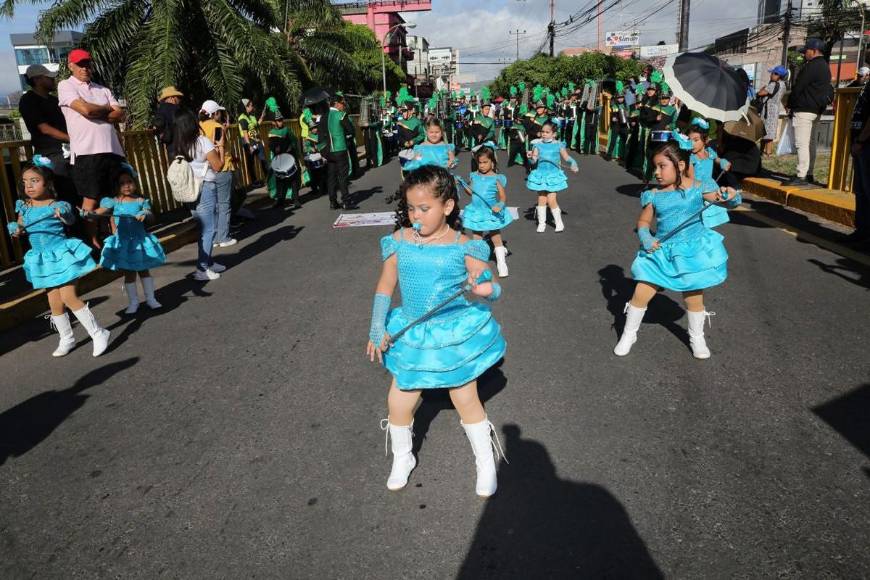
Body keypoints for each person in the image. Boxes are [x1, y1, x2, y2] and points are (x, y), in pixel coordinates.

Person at [366, 165, 506, 497]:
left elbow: (490, 285)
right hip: (413, 332)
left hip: (451, 334)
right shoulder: (399, 240)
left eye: (424, 208)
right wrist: (376, 327)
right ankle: (403, 456)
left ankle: (485, 460)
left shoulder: (464, 245)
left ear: (447, 206)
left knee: (465, 396)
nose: (416, 215)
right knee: (398, 402)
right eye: (411, 208)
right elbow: (386, 286)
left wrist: (486, 289)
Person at [613, 139, 741, 360]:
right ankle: (629, 333)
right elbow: (644, 222)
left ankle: (696, 337)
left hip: (692, 251)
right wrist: (645, 237)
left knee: (693, 296)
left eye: (663, 166)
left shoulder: (698, 188)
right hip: (662, 249)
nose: (657, 172)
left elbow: (722, 200)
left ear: (680, 165)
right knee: (641, 291)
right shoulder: (653, 195)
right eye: (655, 167)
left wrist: (731, 196)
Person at [7, 156, 109, 357]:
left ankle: (98, 332)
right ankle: (67, 338)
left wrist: (63, 213)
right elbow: (20, 225)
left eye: (34, 181)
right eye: (25, 182)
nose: (29, 186)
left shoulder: (58, 204)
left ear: (47, 183)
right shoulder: (24, 206)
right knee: (54, 301)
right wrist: (16, 229)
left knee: (68, 296)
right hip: (42, 260)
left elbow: (70, 220)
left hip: (62, 256)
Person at [57, 48, 126, 249]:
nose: (84, 68)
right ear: (71, 66)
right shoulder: (65, 85)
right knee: (90, 200)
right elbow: (85, 110)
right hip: (86, 152)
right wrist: (105, 109)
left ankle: (117, 239)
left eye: (87, 64)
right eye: (80, 64)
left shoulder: (102, 89)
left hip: (112, 150)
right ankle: (92, 243)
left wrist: (96, 110)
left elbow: (119, 114)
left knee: (116, 197)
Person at [90, 163, 166, 314]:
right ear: (116, 186)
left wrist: (145, 214)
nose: (126, 186)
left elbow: (150, 214)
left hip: (139, 242)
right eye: (122, 183)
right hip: (124, 243)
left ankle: (151, 299)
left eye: (129, 182)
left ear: (135, 183)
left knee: (144, 269)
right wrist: (89, 214)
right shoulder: (114, 201)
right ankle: (133, 302)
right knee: (129, 273)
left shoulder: (141, 201)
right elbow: (99, 212)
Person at [172, 108, 226, 281]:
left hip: (189, 190)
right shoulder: (202, 142)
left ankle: (208, 262)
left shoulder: (179, 145)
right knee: (209, 229)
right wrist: (221, 146)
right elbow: (218, 166)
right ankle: (202, 268)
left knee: (202, 228)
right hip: (205, 188)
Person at [18, 64, 77, 207]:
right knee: (62, 195)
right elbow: (44, 128)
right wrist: (73, 139)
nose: (53, 80)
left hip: (69, 152)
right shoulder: (28, 100)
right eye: (49, 77)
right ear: (37, 79)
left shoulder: (54, 100)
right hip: (50, 156)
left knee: (76, 193)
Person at [784, 38, 833, 186]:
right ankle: (809, 173)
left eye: (806, 51)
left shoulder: (811, 66)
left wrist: (790, 104)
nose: (805, 54)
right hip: (816, 110)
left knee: (802, 143)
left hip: (804, 109)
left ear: (814, 51)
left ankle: (801, 175)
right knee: (810, 143)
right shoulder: (825, 66)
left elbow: (799, 87)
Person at [458, 146, 513, 277]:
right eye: (479, 162)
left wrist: (500, 204)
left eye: (485, 162)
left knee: (495, 237)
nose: (481, 165)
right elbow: (471, 192)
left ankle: (501, 263)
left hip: (490, 212)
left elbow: (503, 197)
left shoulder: (496, 178)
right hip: (477, 212)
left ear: (492, 162)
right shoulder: (474, 176)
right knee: (476, 238)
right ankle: (477, 265)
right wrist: (462, 184)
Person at [527, 121, 579, 233]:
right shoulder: (537, 145)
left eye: (547, 132)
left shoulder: (558, 145)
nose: (544, 134)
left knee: (551, 199)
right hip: (541, 175)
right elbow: (534, 160)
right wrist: (530, 157)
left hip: (553, 176)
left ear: (554, 134)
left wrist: (573, 163)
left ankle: (559, 222)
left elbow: (566, 157)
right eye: (543, 132)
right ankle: (542, 223)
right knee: (541, 199)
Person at [199, 100, 237, 248]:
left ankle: (213, 238)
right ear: (214, 114)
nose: (221, 115)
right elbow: (219, 145)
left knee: (212, 206)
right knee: (224, 204)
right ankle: (223, 237)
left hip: (206, 169)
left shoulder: (199, 127)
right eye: (219, 112)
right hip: (221, 167)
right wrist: (224, 130)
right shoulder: (217, 127)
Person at [847, 74, 870, 243]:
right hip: (859, 143)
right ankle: (861, 232)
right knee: (861, 191)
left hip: (865, 144)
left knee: (866, 191)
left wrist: (861, 139)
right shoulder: (867, 85)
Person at [267, 113, 303, 209]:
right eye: (278, 120)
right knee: (279, 180)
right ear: (274, 122)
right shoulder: (271, 132)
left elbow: (294, 140)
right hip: (279, 158)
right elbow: (270, 145)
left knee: (293, 179)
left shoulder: (287, 130)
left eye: (281, 120)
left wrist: (290, 147)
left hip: (289, 156)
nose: (281, 122)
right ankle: (280, 200)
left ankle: (296, 199)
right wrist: (275, 149)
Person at [322, 95, 351, 209]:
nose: (343, 105)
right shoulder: (341, 115)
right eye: (342, 103)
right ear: (336, 104)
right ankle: (346, 201)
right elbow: (350, 130)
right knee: (343, 176)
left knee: (332, 177)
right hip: (340, 149)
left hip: (329, 151)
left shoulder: (324, 116)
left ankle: (332, 202)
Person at [756, 66, 787, 156]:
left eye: (773, 73)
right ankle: (765, 152)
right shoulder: (783, 85)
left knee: (766, 132)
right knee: (770, 132)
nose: (771, 75)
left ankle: (767, 152)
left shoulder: (773, 84)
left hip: (768, 110)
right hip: (775, 109)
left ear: (778, 75)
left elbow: (761, 93)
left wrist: (761, 90)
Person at [153, 86, 183, 158]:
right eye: (178, 97)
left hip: (171, 147)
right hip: (184, 145)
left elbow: (158, 123)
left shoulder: (161, 109)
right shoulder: (178, 109)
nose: (179, 100)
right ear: (171, 98)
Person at [606, 85, 629, 162]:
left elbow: (629, 115)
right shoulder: (614, 105)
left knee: (625, 141)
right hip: (616, 125)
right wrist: (613, 118)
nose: (620, 99)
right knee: (613, 140)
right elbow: (612, 114)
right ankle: (609, 155)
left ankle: (625, 156)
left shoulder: (626, 105)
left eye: (622, 97)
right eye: (619, 97)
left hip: (624, 125)